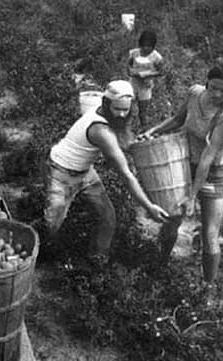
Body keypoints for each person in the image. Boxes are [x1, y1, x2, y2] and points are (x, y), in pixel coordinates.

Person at [36, 80, 169, 264]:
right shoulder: (101, 131)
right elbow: (126, 175)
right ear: (106, 104)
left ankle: (97, 261)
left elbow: (123, 138)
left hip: (85, 172)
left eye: (126, 109)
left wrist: (141, 142)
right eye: (117, 109)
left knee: (107, 217)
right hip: (61, 172)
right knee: (53, 224)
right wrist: (149, 207)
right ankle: (43, 257)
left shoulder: (105, 112)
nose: (122, 114)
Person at [140, 59, 223, 282]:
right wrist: (153, 131)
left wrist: (192, 197)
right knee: (171, 219)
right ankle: (159, 269)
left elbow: (208, 157)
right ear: (207, 82)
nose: (216, 94)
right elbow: (178, 119)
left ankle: (206, 290)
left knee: (210, 233)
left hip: (216, 173)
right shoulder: (195, 93)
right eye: (213, 87)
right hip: (185, 164)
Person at [127, 29, 164, 128]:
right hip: (133, 84)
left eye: (149, 46)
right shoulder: (134, 53)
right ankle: (128, 128)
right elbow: (129, 65)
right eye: (144, 46)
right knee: (129, 108)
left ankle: (144, 129)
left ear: (153, 46)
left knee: (143, 111)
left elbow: (161, 72)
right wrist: (131, 72)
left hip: (146, 86)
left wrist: (147, 75)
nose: (146, 48)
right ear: (140, 45)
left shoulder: (156, 57)